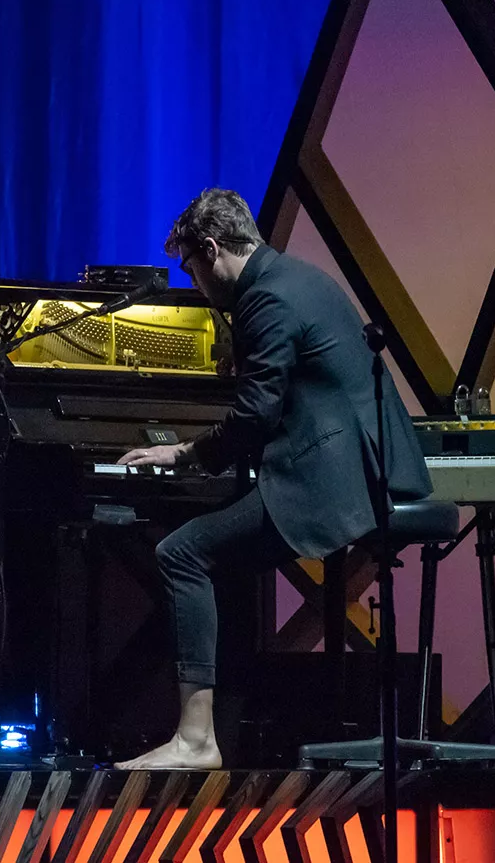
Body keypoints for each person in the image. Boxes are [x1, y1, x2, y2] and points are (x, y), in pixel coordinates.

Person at [113, 188, 432, 770]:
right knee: (219, 556)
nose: (194, 284)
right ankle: (231, 722)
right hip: (366, 469)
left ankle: (196, 740)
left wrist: (185, 453)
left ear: (212, 249)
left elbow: (256, 414)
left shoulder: (265, 299)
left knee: (181, 553)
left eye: (190, 269)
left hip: (332, 481)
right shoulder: (299, 277)